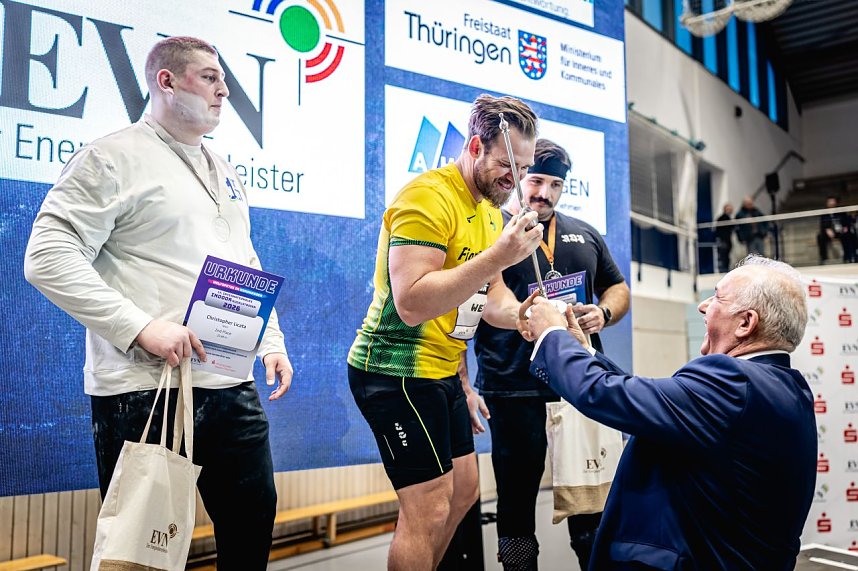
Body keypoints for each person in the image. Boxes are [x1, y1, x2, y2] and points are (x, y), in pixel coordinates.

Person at [24, 37, 293, 570]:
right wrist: (140, 326)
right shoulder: (111, 156)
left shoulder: (225, 169)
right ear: (166, 82)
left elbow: (243, 260)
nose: (224, 91)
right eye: (209, 78)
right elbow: (46, 256)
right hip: (148, 387)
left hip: (228, 383)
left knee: (252, 524)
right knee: (143, 554)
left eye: (223, 79)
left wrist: (271, 341)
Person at [347, 94, 542, 571]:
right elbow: (411, 302)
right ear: (475, 146)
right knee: (429, 505)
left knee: (465, 489)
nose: (513, 180)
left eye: (524, 168)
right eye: (507, 165)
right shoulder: (427, 197)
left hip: (443, 373)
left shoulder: (491, 212)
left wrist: (522, 316)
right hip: (393, 370)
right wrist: (500, 255)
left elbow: (491, 298)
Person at [521, 255, 816, 570]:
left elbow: (605, 394)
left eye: (716, 298)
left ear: (745, 323)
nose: (703, 306)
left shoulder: (733, 381)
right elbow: (651, 404)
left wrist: (550, 335)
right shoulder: (788, 389)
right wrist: (584, 351)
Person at [472, 139, 629, 571]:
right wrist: (524, 317)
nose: (544, 192)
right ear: (519, 175)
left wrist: (604, 310)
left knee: (591, 502)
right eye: (536, 179)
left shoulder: (584, 232)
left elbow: (618, 287)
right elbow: (486, 301)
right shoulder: (490, 232)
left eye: (555, 184)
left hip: (578, 383)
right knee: (516, 501)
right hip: (513, 387)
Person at [818, 196, 857, 263]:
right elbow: (823, 224)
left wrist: (845, 227)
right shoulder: (824, 213)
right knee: (820, 237)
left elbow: (846, 221)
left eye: (833, 201)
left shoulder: (841, 211)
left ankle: (848, 257)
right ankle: (823, 258)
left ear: (836, 202)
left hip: (840, 231)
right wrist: (827, 229)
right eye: (830, 201)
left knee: (849, 235)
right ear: (827, 203)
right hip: (829, 232)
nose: (831, 203)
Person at [715, 203, 734, 273]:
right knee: (723, 256)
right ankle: (723, 270)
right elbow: (719, 230)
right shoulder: (722, 218)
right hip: (723, 240)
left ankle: (725, 269)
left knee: (726, 256)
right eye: (729, 209)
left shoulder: (728, 218)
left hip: (727, 240)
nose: (730, 210)